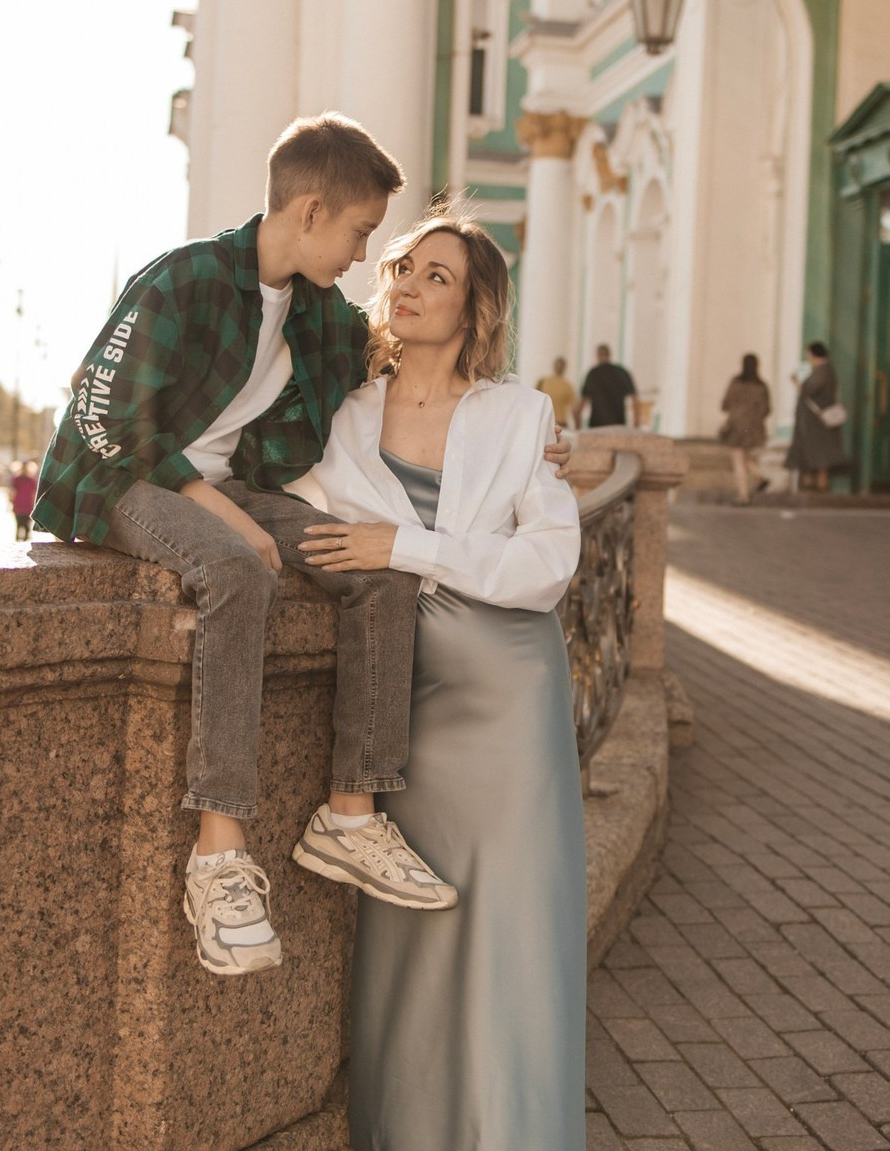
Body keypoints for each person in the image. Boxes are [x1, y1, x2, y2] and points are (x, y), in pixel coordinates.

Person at [31, 114, 571, 978]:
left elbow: (427, 360)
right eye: (362, 232)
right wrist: (219, 508)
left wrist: (540, 442)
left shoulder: (322, 316)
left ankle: (349, 817)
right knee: (236, 569)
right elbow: (102, 416)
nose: (367, 258)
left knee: (377, 567)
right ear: (312, 211)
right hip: (122, 481)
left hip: (232, 490)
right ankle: (219, 853)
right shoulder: (186, 279)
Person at [297, 213, 585, 1151]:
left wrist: (405, 544)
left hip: (506, 698)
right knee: (410, 929)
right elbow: (300, 513)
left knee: (506, 930)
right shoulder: (346, 414)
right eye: (403, 269)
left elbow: (545, 567)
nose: (411, 286)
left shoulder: (521, 414)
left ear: (476, 306)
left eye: (439, 276)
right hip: (400, 699)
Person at [785, 341, 848, 491]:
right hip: (818, 420)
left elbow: (809, 390)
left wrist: (796, 382)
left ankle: (818, 487)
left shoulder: (822, 371)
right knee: (818, 456)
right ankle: (817, 485)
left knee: (818, 455)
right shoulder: (826, 370)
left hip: (816, 422)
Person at [720, 353, 772, 505]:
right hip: (754, 427)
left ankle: (743, 496)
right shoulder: (762, 385)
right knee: (747, 457)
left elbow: (725, 404)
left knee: (738, 459)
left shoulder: (736, 382)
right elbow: (766, 409)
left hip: (737, 424)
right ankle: (760, 477)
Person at [579, 343, 638, 427]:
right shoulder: (621, 372)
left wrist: (578, 426)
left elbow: (582, 402)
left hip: (597, 425)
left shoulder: (593, 374)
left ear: (597, 355)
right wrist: (636, 422)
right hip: (617, 424)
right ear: (609, 354)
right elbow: (634, 398)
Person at [536, 355, 578, 429]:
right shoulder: (567, 386)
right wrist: (577, 427)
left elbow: (535, 402)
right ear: (564, 368)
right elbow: (574, 409)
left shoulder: (543, 382)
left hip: (548, 422)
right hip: (557, 424)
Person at [11, 460, 39, 541]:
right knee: (21, 524)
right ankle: (22, 539)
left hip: (23, 503)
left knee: (22, 524)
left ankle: (22, 539)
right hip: (23, 503)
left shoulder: (29, 480)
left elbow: (33, 493)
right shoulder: (19, 479)